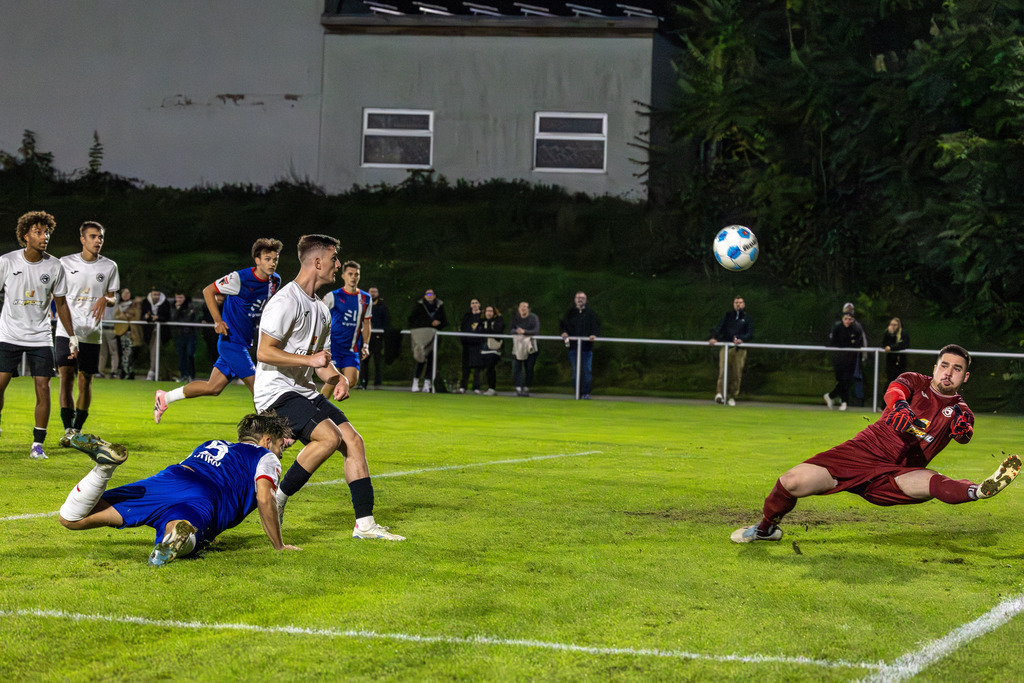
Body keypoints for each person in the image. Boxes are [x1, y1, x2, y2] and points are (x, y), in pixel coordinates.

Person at [733, 344, 1021, 543]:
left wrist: (962, 428)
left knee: (932, 481)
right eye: (944, 365)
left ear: (965, 376)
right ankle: (766, 529)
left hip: (899, 473)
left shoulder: (961, 410)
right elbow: (895, 390)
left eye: (956, 369)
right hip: (861, 453)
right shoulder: (914, 381)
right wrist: (899, 407)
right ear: (934, 367)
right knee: (791, 481)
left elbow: (965, 433)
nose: (948, 372)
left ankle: (979, 490)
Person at [255, 234, 403, 541]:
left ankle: (365, 524)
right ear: (317, 262)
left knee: (353, 441)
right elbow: (264, 351)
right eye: (334, 259)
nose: (338, 265)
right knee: (329, 437)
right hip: (275, 392)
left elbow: (321, 362)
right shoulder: (285, 300)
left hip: (302, 388)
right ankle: (276, 499)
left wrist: (338, 378)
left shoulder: (321, 309)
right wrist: (310, 359)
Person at [57, 412, 300, 566]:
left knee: (72, 519)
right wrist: (278, 544)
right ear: (267, 440)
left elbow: (187, 466)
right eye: (280, 446)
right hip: (205, 496)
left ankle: (104, 468)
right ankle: (180, 534)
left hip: (171, 478)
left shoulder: (211, 443)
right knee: (184, 529)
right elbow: (265, 498)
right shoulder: (265, 456)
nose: (279, 452)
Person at [153, 238, 282, 423]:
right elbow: (208, 291)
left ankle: (165, 398)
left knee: (213, 388)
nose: (272, 263)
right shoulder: (240, 278)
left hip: (244, 342)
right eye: (267, 258)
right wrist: (218, 321)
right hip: (231, 342)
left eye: (275, 259)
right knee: (259, 388)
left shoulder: (275, 281)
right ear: (257, 260)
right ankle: (272, 431)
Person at [0, 211, 78, 459]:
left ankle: (37, 445)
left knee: (43, 388)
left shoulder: (55, 265)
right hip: (8, 334)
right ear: (25, 236)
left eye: (47, 232)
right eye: (39, 232)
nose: (45, 237)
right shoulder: (7, 262)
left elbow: (62, 303)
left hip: (40, 337)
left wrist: (72, 336)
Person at [56, 221, 120, 445]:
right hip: (66, 330)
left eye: (100, 237)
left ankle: (77, 428)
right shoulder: (65, 263)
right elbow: (57, 295)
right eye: (93, 236)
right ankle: (67, 430)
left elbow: (113, 297)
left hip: (92, 333)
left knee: (86, 380)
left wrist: (107, 298)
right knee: (66, 377)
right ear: (82, 239)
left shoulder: (109, 266)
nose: (98, 241)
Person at [321, 260, 372, 395]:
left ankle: (324, 406)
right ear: (343, 275)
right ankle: (317, 410)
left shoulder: (366, 298)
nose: (353, 277)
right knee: (332, 380)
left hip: (352, 348)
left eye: (356, 274)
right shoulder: (333, 296)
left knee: (351, 380)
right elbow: (319, 315)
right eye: (350, 274)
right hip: (334, 346)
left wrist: (366, 345)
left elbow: (367, 323)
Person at [708, 295, 753, 406]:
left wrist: (742, 339)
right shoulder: (728, 316)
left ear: (744, 304)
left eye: (740, 302)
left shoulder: (747, 318)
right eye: (736, 302)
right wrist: (714, 337)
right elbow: (719, 327)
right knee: (723, 370)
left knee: (736, 374)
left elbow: (750, 333)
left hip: (740, 349)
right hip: (727, 346)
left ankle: (733, 396)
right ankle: (720, 394)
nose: (738, 304)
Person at [559, 291, 601, 399]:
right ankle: (577, 392)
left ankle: (586, 393)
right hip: (573, 347)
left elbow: (596, 327)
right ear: (575, 299)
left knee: (586, 371)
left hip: (586, 348)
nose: (580, 299)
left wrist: (593, 335)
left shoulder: (591, 313)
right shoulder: (570, 313)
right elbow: (563, 325)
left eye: (582, 298)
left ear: (586, 300)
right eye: (578, 297)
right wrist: (563, 332)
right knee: (575, 371)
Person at [407, 288, 448, 393]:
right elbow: (412, 320)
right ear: (424, 296)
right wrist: (428, 323)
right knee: (420, 359)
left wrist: (438, 323)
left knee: (431, 360)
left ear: (434, 296)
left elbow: (445, 320)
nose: (429, 296)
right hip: (421, 337)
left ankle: (427, 383)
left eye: (431, 294)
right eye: (427, 294)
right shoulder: (419, 306)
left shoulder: (440, 306)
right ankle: (415, 382)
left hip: (433, 337)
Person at [824, 311, 863, 411]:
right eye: (845, 319)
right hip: (839, 359)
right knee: (842, 380)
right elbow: (834, 343)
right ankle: (841, 400)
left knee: (847, 380)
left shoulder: (856, 329)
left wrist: (849, 344)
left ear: (853, 320)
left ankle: (834, 397)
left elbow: (858, 343)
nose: (847, 321)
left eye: (850, 319)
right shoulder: (837, 328)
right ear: (842, 319)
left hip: (851, 359)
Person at [360, 286, 389, 390]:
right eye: (371, 292)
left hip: (377, 337)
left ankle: (377, 384)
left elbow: (386, 322)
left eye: (375, 292)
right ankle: (363, 383)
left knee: (377, 361)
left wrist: (381, 334)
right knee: (364, 361)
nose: (373, 294)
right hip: (365, 336)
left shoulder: (382, 306)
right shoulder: (363, 304)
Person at [510, 301, 540, 397]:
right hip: (518, 346)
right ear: (518, 308)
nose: (523, 308)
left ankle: (527, 387)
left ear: (528, 309)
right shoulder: (515, 318)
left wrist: (524, 332)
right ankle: (518, 387)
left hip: (530, 346)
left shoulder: (533, 318)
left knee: (529, 368)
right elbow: (510, 330)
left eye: (525, 307)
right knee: (516, 367)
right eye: (521, 307)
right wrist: (516, 331)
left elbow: (536, 331)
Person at [112, 288, 143, 379]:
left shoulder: (135, 305)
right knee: (122, 354)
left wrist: (124, 315)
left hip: (131, 333)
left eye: (128, 293)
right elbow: (116, 316)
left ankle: (128, 373)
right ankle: (124, 372)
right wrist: (127, 315)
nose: (126, 295)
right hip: (120, 332)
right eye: (124, 293)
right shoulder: (119, 305)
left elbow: (136, 317)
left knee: (129, 354)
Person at [142, 286, 170, 380]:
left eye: (158, 294)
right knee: (153, 351)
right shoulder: (146, 302)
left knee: (155, 351)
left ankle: (152, 372)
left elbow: (167, 316)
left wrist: (158, 318)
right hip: (149, 331)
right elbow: (142, 315)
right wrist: (146, 317)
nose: (156, 296)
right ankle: (161, 374)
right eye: (154, 294)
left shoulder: (165, 303)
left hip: (160, 332)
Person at [170, 291, 198, 382]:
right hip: (179, 335)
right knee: (181, 355)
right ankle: (183, 375)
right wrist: (177, 309)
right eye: (177, 297)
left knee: (190, 354)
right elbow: (173, 318)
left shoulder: (190, 307)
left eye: (181, 297)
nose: (179, 300)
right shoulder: (173, 307)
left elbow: (189, 319)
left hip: (190, 334)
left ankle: (191, 375)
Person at [475, 305, 504, 396]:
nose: (489, 313)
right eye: (487, 311)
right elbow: (477, 331)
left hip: (494, 349)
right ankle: (478, 387)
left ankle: (492, 388)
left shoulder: (498, 321)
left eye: (491, 311)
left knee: (490, 367)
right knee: (479, 368)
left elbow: (497, 331)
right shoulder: (481, 321)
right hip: (483, 349)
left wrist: (485, 330)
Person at [456, 298, 482, 394]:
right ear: (470, 305)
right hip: (467, 345)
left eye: (476, 303)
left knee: (477, 367)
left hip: (478, 345)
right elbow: (463, 328)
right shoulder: (467, 316)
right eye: (472, 303)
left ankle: (476, 387)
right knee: (465, 367)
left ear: (479, 304)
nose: (474, 305)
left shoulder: (482, 316)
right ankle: (463, 387)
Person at [882, 317, 910, 384]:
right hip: (890, 361)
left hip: (901, 361)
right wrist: (890, 334)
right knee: (890, 380)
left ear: (899, 325)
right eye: (891, 324)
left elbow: (903, 345)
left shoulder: (904, 334)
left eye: (895, 325)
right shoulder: (887, 333)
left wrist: (891, 348)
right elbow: (884, 344)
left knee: (901, 380)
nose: (893, 327)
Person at [96, 300, 119, 378]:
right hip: (102, 328)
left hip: (111, 328)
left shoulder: (115, 298)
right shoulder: (102, 298)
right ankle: (101, 371)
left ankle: (114, 371)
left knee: (113, 351)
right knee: (102, 352)